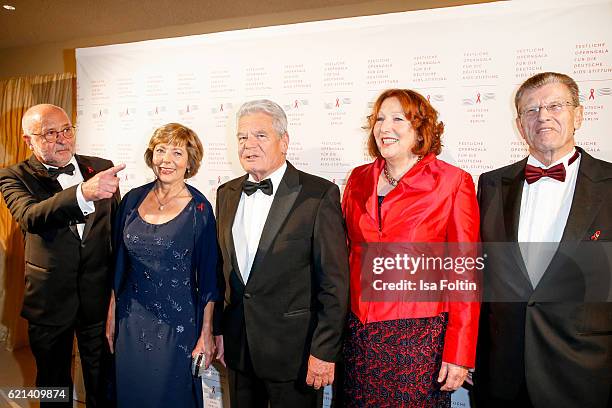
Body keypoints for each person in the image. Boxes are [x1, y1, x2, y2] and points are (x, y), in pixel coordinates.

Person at [474, 72, 612, 408]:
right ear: (520, 125)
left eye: (555, 105)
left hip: (586, 372)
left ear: (578, 115)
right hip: (504, 373)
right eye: (531, 110)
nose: (543, 116)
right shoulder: (491, 185)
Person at [341, 89, 480, 407]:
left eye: (397, 118)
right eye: (379, 119)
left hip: (418, 341)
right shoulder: (358, 179)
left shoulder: (452, 181)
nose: (383, 127)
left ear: (421, 128)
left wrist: (458, 353)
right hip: (360, 335)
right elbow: (347, 254)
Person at [213, 99, 349, 408]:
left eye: (260, 135)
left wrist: (324, 351)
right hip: (239, 349)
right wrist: (219, 330)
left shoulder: (318, 194)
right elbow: (223, 271)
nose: (249, 144)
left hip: (296, 356)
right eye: (242, 137)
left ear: (283, 141)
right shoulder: (226, 194)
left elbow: (335, 283)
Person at [0, 104, 124, 407]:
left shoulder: (100, 166)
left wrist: (118, 289)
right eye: (50, 133)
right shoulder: (13, 175)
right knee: (53, 385)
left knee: (103, 380)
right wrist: (82, 193)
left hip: (98, 297)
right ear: (29, 140)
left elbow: (116, 229)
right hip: (49, 300)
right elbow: (30, 216)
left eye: (67, 129)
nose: (62, 139)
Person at [106, 123, 218, 408]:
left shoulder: (200, 209)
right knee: (130, 393)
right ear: (151, 155)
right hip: (130, 318)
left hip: (176, 326)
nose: (166, 160)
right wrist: (111, 311)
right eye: (160, 151)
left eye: (177, 153)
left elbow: (208, 278)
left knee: (168, 396)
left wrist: (206, 332)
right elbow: (117, 263)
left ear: (190, 161)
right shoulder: (132, 199)